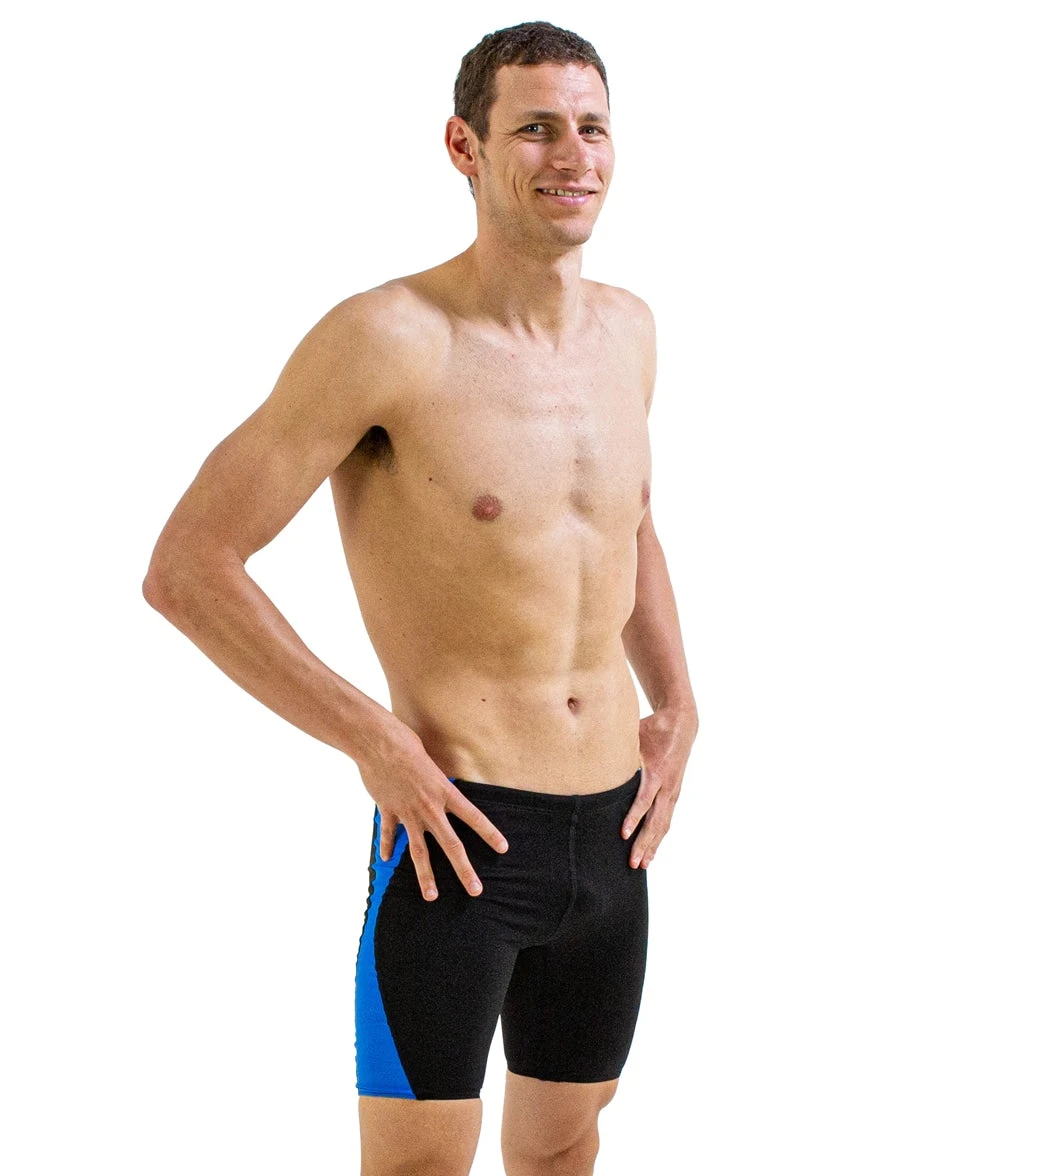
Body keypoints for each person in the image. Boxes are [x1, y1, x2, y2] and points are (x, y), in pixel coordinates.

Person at [143, 19, 698, 1176]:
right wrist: (374, 740)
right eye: (536, 127)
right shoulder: (387, 339)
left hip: (614, 837)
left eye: (592, 128)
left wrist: (679, 703)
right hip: (457, 834)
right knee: (415, 1170)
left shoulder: (631, 330)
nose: (573, 155)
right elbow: (190, 566)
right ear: (464, 146)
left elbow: (628, 524)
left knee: (565, 1149)